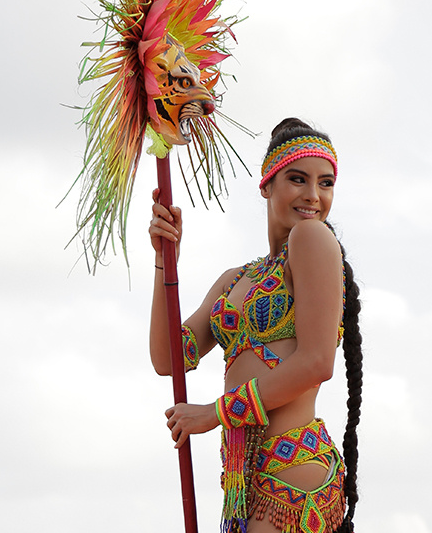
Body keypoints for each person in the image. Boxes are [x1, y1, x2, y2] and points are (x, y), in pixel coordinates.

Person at [149, 118, 363, 533]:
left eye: (326, 183)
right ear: (266, 184)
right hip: (242, 483)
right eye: (298, 179)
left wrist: (215, 413)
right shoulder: (234, 279)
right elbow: (169, 358)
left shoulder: (313, 239)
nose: (313, 196)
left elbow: (317, 362)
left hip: (293, 469)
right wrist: (164, 260)